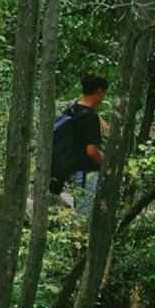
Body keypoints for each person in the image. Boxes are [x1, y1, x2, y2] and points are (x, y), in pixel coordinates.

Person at [49, 73, 107, 208]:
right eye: (104, 93)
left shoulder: (71, 109)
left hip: (69, 172)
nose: (103, 98)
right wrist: (105, 164)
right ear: (99, 91)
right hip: (86, 173)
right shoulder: (90, 117)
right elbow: (91, 151)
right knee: (84, 214)